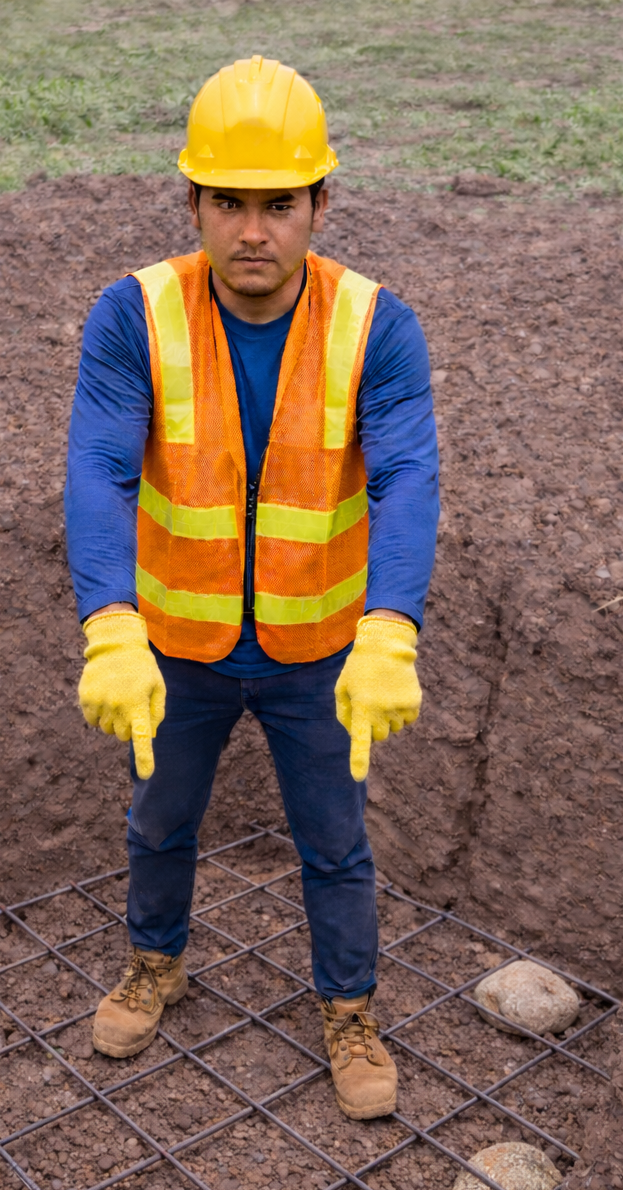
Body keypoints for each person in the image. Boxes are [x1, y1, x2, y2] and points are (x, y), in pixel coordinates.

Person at [65, 56, 439, 1120]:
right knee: (158, 821)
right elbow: (97, 465)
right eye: (227, 202)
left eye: (279, 204)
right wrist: (109, 624)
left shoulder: (376, 325)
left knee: (334, 839)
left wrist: (388, 629)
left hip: (318, 644)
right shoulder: (135, 314)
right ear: (193, 201)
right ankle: (155, 963)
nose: (253, 233)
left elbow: (409, 476)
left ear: (322, 201)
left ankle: (348, 1008)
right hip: (175, 644)